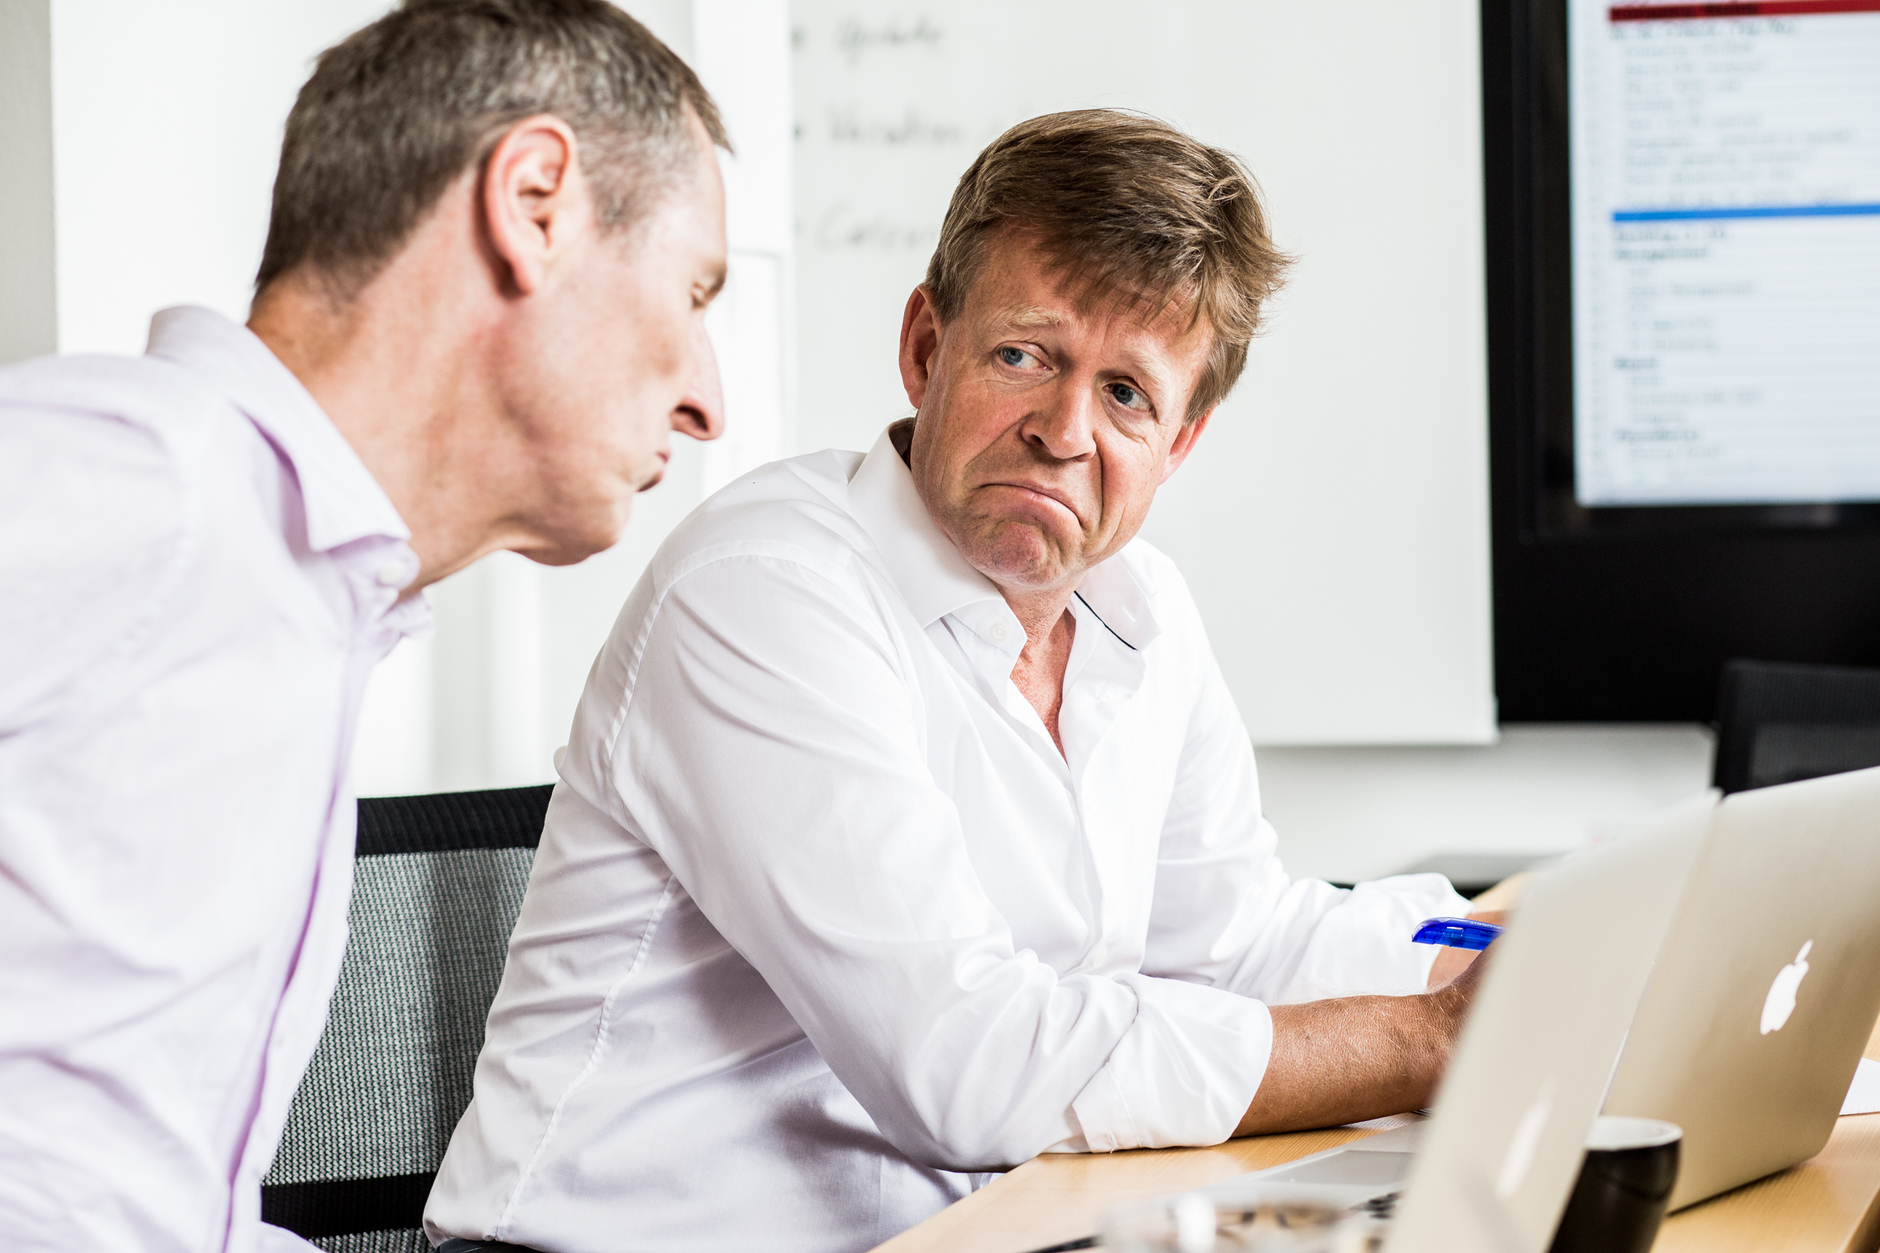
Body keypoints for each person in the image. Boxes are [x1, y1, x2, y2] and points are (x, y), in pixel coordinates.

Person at [424, 110, 1485, 1253]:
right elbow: (964, 1062)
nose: (1064, 432)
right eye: (1024, 355)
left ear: (1179, 441)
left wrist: (1495, 951)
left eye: (1127, 393)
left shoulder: (1145, 613)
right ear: (926, 348)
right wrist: (1428, 1040)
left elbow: (1234, 944)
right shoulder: (768, 588)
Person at [0, 3, 729, 1250]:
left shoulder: (295, 596)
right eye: (692, 289)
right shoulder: (135, 479)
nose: (708, 401)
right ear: (534, 202)